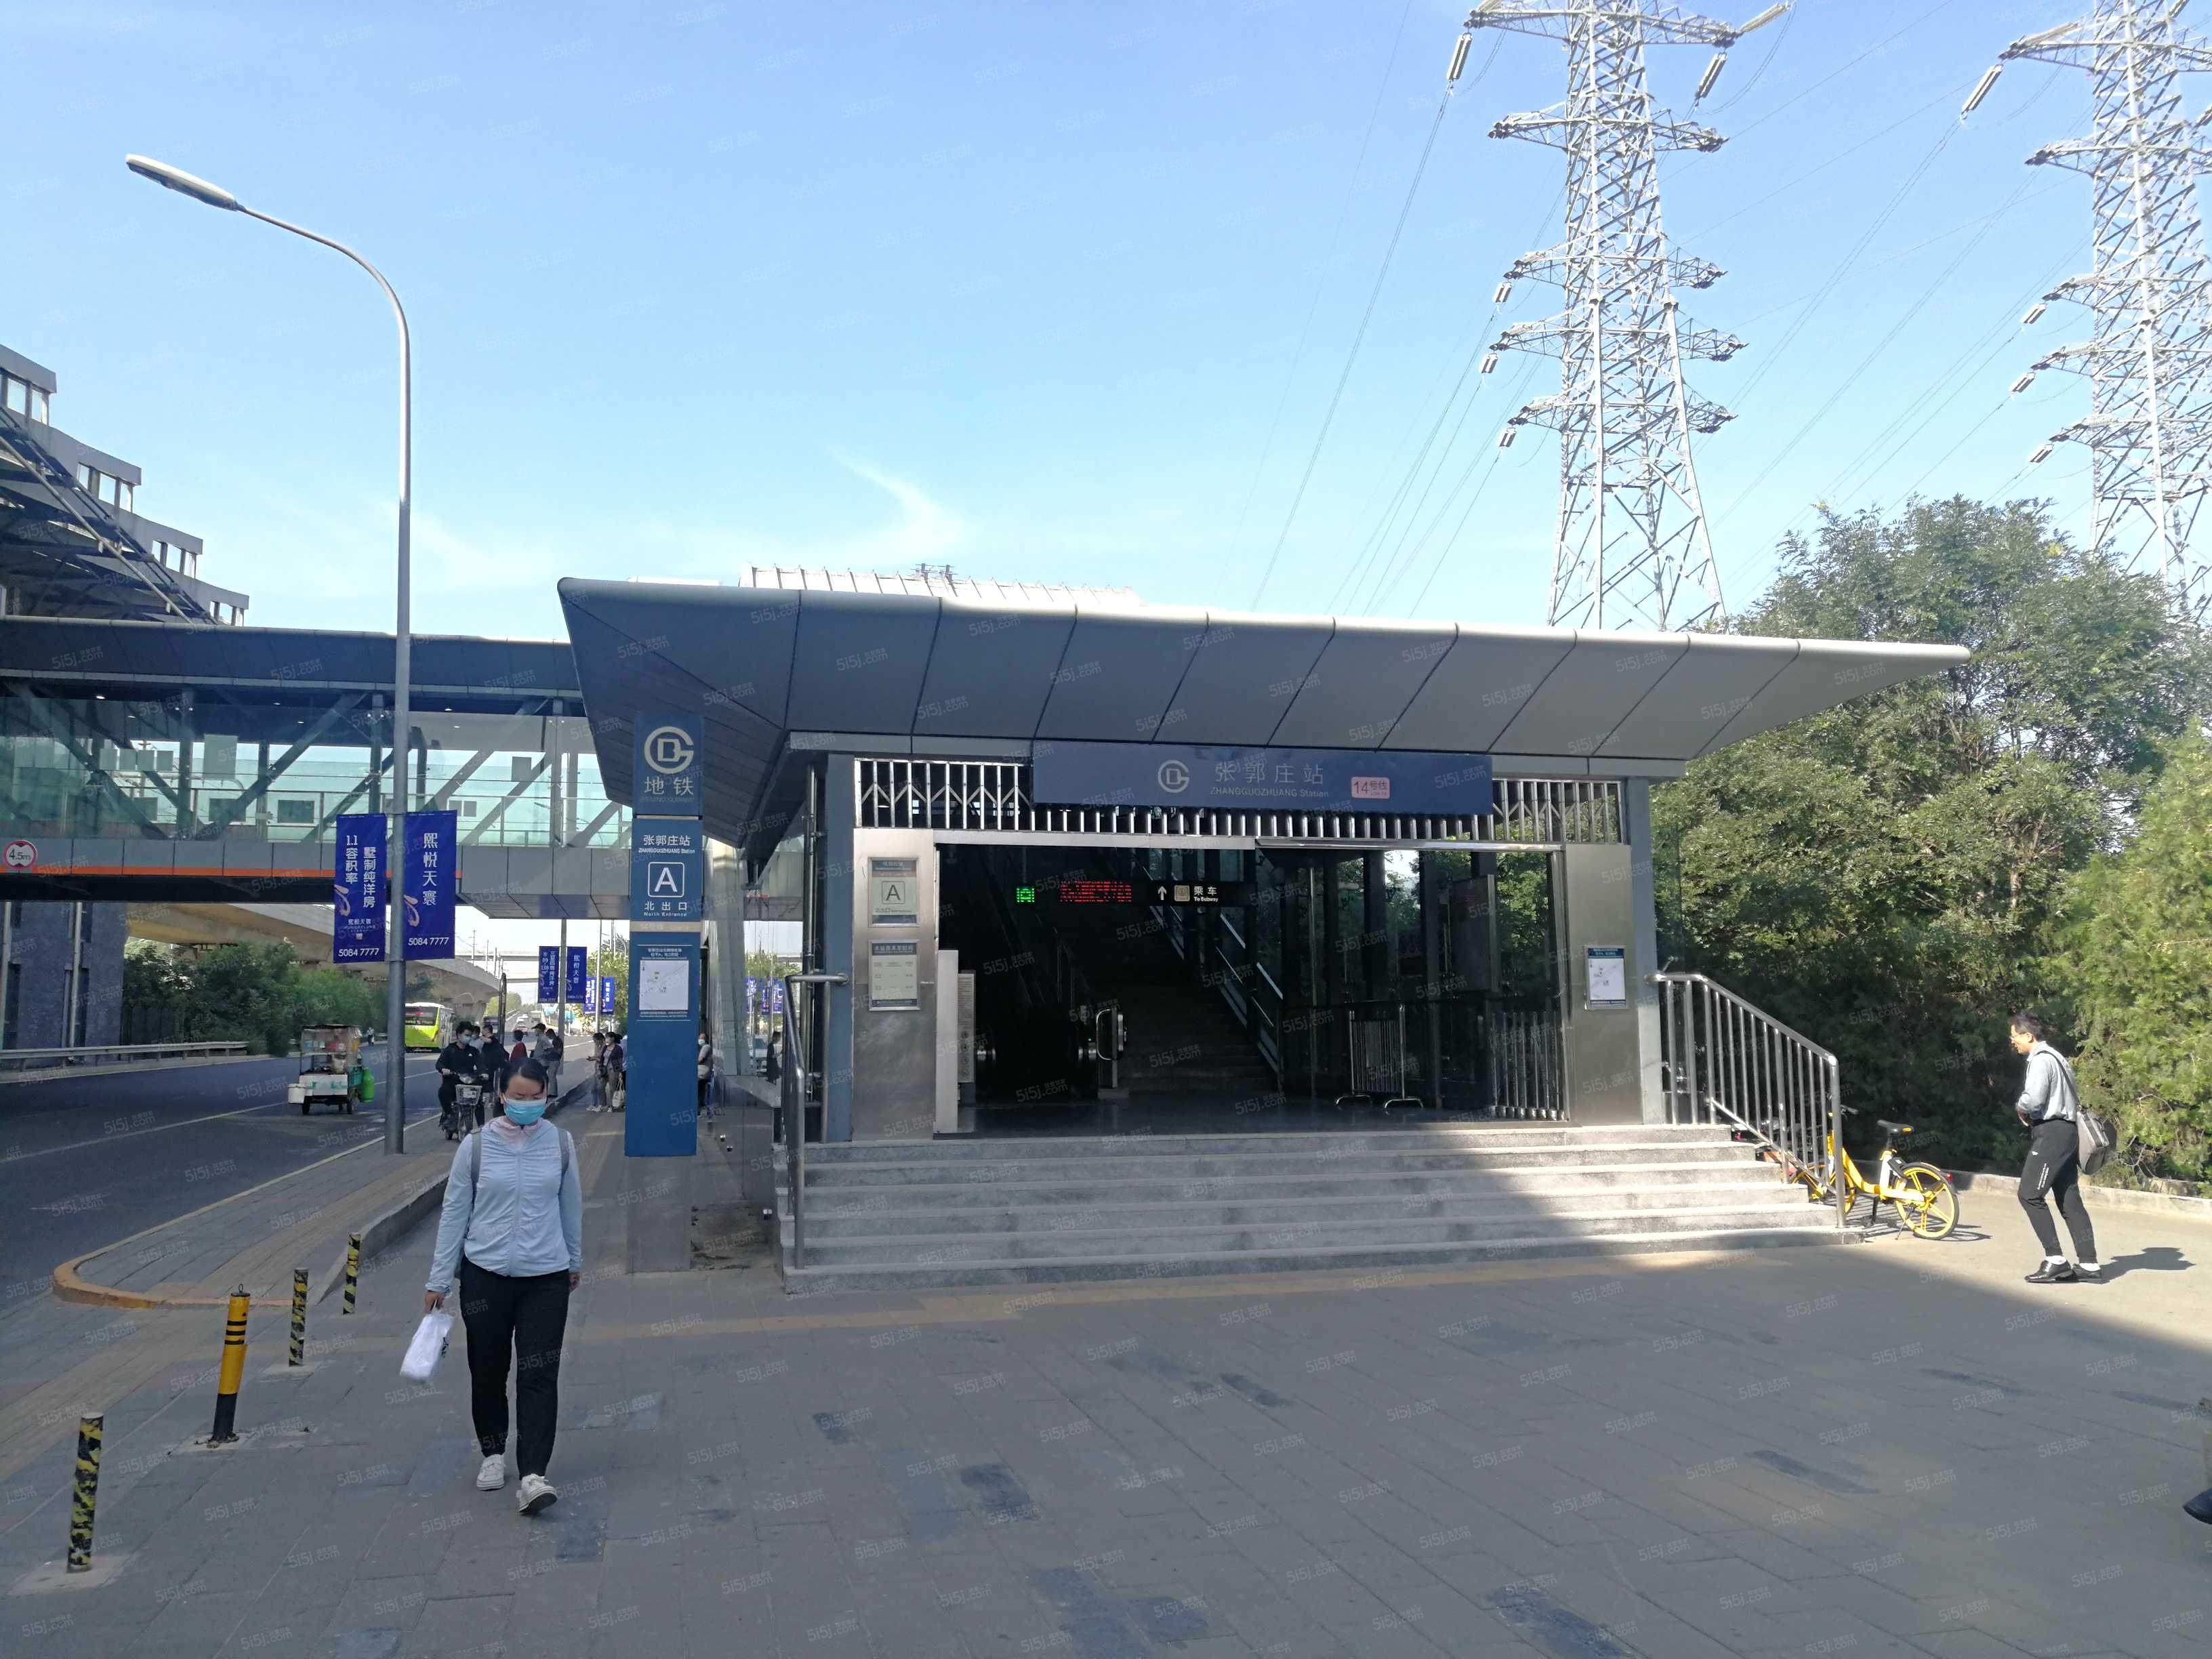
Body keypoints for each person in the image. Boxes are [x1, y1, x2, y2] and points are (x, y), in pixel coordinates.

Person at [423, 1059, 581, 1517]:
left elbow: (571, 1206)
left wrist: (574, 1260)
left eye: (536, 1097)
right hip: (485, 1276)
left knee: (539, 1373)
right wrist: (439, 1279)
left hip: (545, 1278)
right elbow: (455, 1213)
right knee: (488, 1371)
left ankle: (533, 1474)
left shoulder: (561, 1144)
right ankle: (492, 1452)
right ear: (501, 1096)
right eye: (519, 1097)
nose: (528, 1104)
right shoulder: (474, 1148)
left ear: (546, 1096)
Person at [2011, 1012, 2100, 1285]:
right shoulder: (2059, 1058)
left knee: (2029, 1195)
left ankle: (2055, 1260)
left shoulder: (2040, 1060)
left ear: (2029, 1036)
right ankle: (2089, 1265)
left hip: (2052, 1134)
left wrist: (2020, 1107)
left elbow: (2034, 1099)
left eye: (2014, 1036)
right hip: (2068, 1132)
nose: (2012, 1041)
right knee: (2069, 1199)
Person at [436, 1023, 483, 1134]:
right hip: (453, 1082)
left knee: (479, 1099)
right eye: (466, 1035)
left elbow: (481, 1065)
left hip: (469, 1083)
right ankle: (450, 1115)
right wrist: (443, 1069)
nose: (469, 1038)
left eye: (470, 1035)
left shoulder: (473, 1051)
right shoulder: (450, 1050)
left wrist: (484, 1073)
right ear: (458, 1035)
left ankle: (482, 1125)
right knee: (443, 1092)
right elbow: (439, 1063)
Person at [696, 1027, 715, 1120]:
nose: (700, 1040)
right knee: (701, 1093)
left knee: (699, 1094)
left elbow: (701, 1060)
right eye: (699, 1038)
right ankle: (699, 1110)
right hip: (704, 1075)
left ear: (706, 1039)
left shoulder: (706, 1047)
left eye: (702, 1038)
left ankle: (698, 1111)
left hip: (701, 1075)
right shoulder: (705, 1047)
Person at [605, 1031, 626, 1112]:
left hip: (615, 1069)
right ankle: (616, 1104)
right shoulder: (606, 1047)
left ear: (613, 1038)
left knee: (613, 1087)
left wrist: (619, 1072)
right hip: (608, 1069)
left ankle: (612, 1105)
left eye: (607, 1037)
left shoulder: (618, 1048)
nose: (606, 1039)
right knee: (617, 1087)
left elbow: (619, 1061)